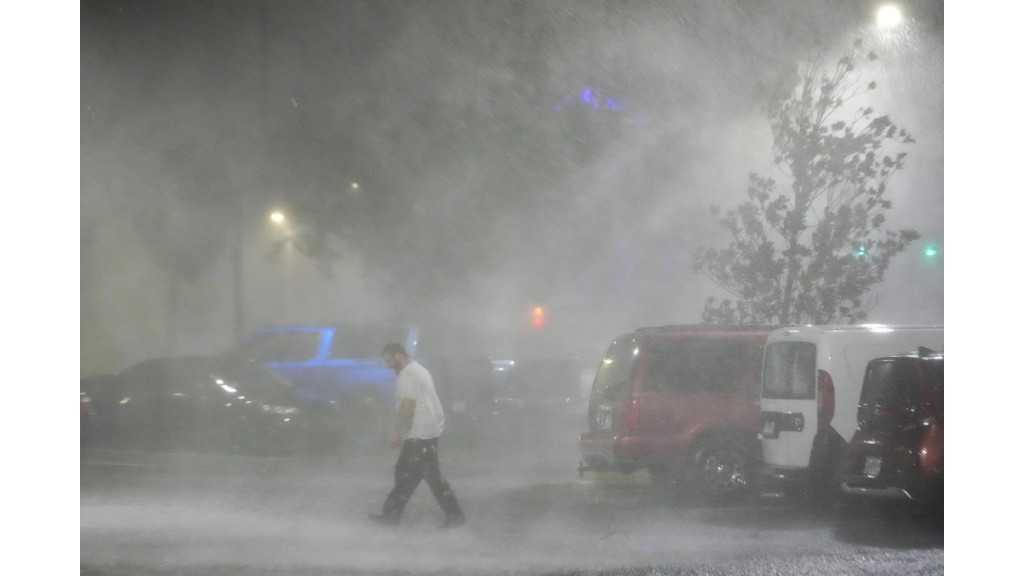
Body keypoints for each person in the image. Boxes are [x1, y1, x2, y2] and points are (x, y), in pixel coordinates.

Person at [370, 343, 466, 528]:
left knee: (428, 477)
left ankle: (455, 517)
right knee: (407, 474)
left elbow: (408, 405)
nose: (389, 366)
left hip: (420, 434)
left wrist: (395, 430)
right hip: (425, 431)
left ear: (398, 356)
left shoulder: (408, 374)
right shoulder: (418, 370)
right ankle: (391, 515)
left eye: (389, 361)